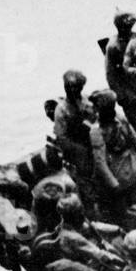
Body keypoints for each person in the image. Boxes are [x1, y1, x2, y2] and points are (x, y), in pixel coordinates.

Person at [88, 89, 136, 223]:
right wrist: (114, 184)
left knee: (135, 204)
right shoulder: (97, 131)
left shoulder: (118, 119)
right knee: (122, 209)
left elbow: (135, 140)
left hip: (128, 169)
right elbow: (100, 162)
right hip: (118, 172)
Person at [53, 69, 96, 197]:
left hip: (93, 140)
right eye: (69, 87)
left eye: (76, 87)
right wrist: (81, 150)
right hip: (76, 147)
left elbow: (96, 119)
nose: (72, 90)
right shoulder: (61, 110)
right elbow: (62, 138)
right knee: (84, 176)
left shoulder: (88, 101)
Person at [103, 10, 136, 133]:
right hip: (127, 91)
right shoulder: (113, 46)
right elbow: (110, 74)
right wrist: (120, 96)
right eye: (126, 26)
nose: (128, 28)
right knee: (135, 123)